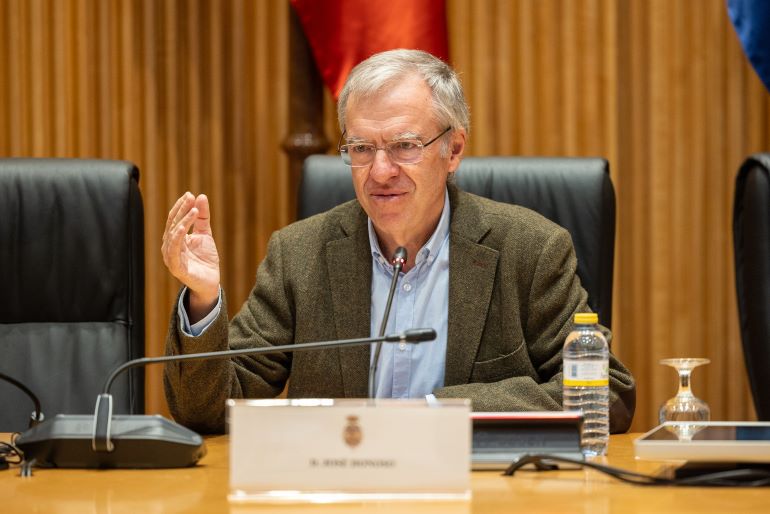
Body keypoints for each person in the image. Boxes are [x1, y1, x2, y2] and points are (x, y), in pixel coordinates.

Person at [161, 49, 636, 434]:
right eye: (362, 149)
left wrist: (437, 411)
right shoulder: (300, 254)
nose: (381, 171)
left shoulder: (529, 250)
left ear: (453, 150)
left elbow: (605, 394)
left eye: (405, 145)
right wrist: (203, 299)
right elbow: (206, 410)